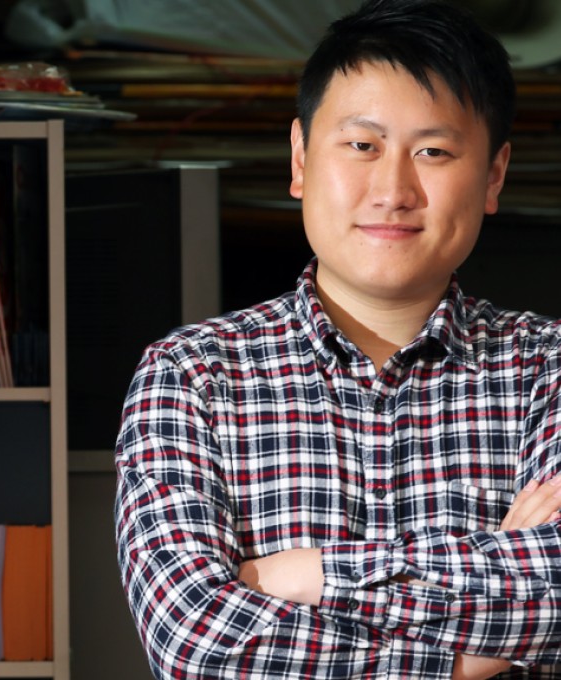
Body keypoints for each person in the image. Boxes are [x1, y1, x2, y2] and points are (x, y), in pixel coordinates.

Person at [113, 1, 561, 678]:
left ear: (494, 175)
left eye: (434, 152)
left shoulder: (549, 368)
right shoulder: (191, 376)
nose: (393, 189)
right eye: (362, 145)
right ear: (300, 159)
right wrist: (469, 659)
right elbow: (196, 640)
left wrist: (307, 576)